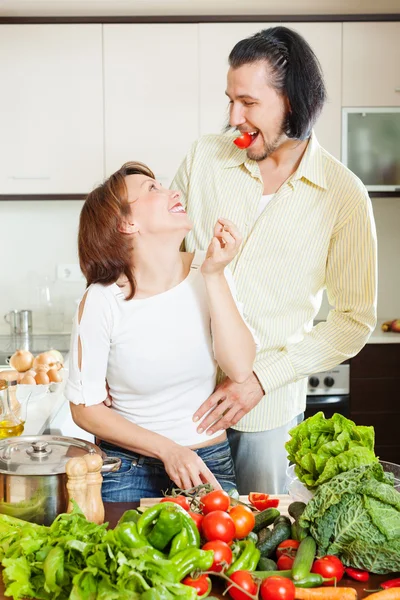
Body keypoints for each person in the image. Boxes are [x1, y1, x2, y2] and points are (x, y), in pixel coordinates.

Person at [171, 26, 378, 494]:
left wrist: (260, 381)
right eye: (229, 100)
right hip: (181, 402)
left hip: (266, 413)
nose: (233, 117)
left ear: (292, 101)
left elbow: (354, 320)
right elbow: (159, 258)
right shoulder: (205, 158)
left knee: (260, 548)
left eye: (248, 103)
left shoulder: (343, 195)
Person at [65, 161, 257, 502]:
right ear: (127, 222)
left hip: (207, 460)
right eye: (152, 189)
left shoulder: (210, 268)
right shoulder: (102, 300)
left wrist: (214, 275)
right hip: (128, 468)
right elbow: (84, 408)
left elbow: (240, 367)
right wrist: (168, 450)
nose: (173, 191)